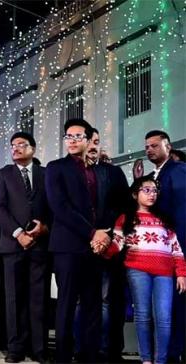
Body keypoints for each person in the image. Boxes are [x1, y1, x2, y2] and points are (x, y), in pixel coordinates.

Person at [100, 176, 186, 364]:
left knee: (164, 317)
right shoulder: (125, 218)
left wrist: (181, 273)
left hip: (164, 273)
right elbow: (117, 243)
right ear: (134, 194)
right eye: (146, 190)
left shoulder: (165, 219)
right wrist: (102, 249)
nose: (151, 194)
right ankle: (146, 360)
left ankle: (161, 360)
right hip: (137, 270)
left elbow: (176, 248)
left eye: (154, 190)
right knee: (143, 315)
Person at [45, 119, 111, 363]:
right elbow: (60, 207)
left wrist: (104, 235)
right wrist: (92, 232)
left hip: (94, 249)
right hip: (67, 247)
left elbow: (101, 208)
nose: (72, 141)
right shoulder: (56, 167)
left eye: (77, 136)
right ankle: (63, 356)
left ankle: (89, 355)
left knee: (93, 305)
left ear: (89, 139)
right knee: (67, 304)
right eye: (68, 137)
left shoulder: (96, 170)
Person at [0, 132, 51, 363]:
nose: (16, 149)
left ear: (32, 149)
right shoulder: (3, 174)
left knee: (39, 298)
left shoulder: (46, 174)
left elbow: (54, 204)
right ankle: (15, 348)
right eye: (13, 145)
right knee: (14, 299)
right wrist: (18, 234)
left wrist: (44, 227)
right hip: (13, 245)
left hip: (40, 244)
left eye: (21, 145)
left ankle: (40, 349)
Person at [78, 128, 130, 362]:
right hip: (80, 247)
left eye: (96, 141)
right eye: (89, 140)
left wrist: (106, 236)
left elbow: (124, 207)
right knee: (81, 301)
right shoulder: (71, 173)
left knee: (108, 301)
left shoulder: (113, 172)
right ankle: (81, 349)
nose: (93, 145)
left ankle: (107, 350)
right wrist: (89, 235)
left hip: (109, 248)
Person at [144, 130, 186, 362]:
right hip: (159, 251)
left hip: (177, 247)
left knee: (177, 306)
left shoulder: (178, 170)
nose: (149, 149)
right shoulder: (154, 176)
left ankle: (174, 354)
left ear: (167, 146)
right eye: (147, 146)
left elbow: (181, 212)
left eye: (154, 145)